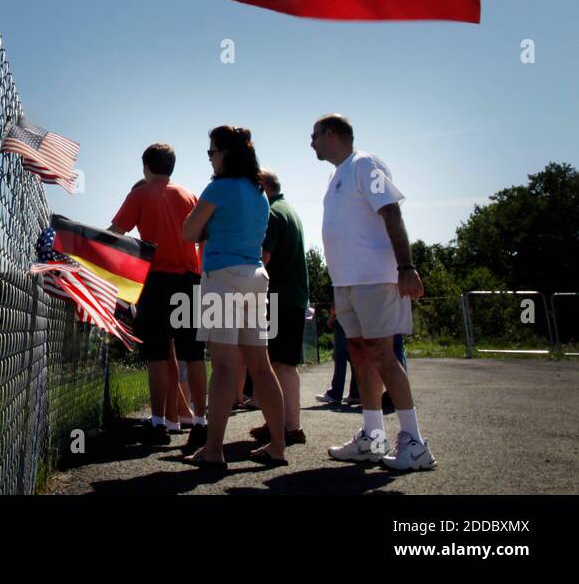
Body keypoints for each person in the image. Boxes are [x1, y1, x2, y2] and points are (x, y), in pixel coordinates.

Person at [312, 114, 436, 471]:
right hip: (347, 283)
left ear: (332, 134)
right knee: (361, 354)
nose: (312, 143)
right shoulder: (337, 173)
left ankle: (415, 443)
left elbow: (391, 212)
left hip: (375, 279)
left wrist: (406, 267)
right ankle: (373, 436)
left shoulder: (365, 164)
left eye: (315, 136)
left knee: (382, 354)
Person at [179, 126, 287, 470]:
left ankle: (213, 450)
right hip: (255, 277)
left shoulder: (218, 188)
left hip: (221, 277)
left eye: (211, 151)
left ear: (225, 153)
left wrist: (209, 225)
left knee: (224, 365)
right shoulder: (259, 192)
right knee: (261, 365)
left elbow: (188, 232)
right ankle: (278, 446)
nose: (210, 157)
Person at [109, 144, 207, 447]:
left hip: (156, 281)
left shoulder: (140, 194)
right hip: (190, 279)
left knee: (158, 353)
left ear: (146, 166)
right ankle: (201, 421)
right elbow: (202, 238)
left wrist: (80, 245)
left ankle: (159, 422)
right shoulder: (189, 195)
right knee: (193, 353)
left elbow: (116, 232)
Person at [248, 170, 308, 446]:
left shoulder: (271, 213)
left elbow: (263, 258)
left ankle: (290, 427)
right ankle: (281, 422)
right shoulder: (287, 209)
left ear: (262, 188)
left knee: (281, 364)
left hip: (279, 298)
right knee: (280, 363)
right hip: (291, 298)